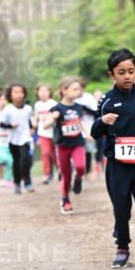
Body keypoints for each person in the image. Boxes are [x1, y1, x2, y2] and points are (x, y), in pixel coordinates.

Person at [91, 48, 135, 268]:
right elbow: (94, 132)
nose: (127, 76)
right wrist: (103, 121)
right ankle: (122, 247)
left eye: (131, 71)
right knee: (121, 208)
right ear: (112, 74)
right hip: (117, 165)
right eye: (122, 72)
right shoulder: (107, 100)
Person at [41, 76, 95, 215]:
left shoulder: (78, 107)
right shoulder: (56, 108)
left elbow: (80, 121)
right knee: (66, 176)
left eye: (79, 89)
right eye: (75, 89)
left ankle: (78, 179)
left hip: (77, 143)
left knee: (81, 167)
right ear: (64, 90)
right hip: (63, 145)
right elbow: (45, 124)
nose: (79, 91)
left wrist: (87, 133)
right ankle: (65, 200)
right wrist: (53, 118)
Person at [2, 83, 35, 194]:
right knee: (16, 162)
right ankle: (17, 184)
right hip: (13, 139)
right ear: (10, 95)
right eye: (15, 92)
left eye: (21, 92)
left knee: (26, 160)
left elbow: (29, 121)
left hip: (25, 138)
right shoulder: (8, 109)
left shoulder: (28, 108)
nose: (19, 95)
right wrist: (11, 126)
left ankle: (27, 182)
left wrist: (32, 128)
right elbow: (1, 124)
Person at [34, 84, 57, 184]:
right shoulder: (37, 105)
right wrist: (34, 122)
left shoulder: (53, 103)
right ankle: (46, 174)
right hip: (42, 133)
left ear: (49, 93)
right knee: (45, 153)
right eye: (41, 91)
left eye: (45, 91)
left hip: (54, 133)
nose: (43, 93)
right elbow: (36, 117)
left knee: (55, 154)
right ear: (37, 93)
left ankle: (60, 170)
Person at [79, 76, 98, 177]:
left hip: (88, 127)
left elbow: (96, 113)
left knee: (88, 150)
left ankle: (88, 170)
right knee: (79, 150)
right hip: (76, 129)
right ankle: (80, 170)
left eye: (81, 87)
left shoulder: (88, 97)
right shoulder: (72, 97)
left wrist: (85, 109)